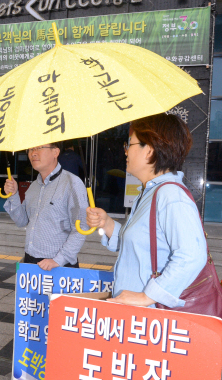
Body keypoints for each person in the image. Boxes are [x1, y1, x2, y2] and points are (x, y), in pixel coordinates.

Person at [86, 113, 207, 307]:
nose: (125, 151)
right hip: (136, 318)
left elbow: (192, 255)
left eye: (129, 144)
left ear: (149, 151)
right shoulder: (150, 193)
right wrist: (106, 223)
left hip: (151, 319)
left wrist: (147, 297)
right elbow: (140, 247)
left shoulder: (170, 196)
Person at [4, 142, 89, 271]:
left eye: (39, 147)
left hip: (59, 265)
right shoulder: (33, 187)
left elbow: (81, 227)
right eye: (31, 148)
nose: (33, 153)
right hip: (30, 262)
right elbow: (22, 221)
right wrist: (14, 195)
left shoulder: (72, 183)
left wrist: (58, 260)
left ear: (55, 152)